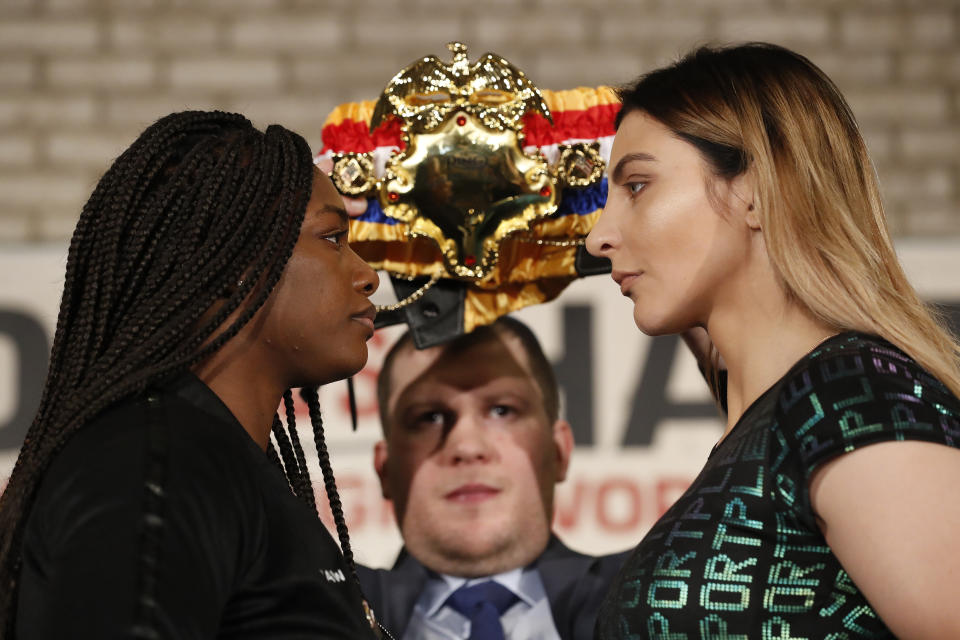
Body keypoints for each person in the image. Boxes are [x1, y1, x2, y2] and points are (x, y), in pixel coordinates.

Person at [585, 42, 960, 638]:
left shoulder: (848, 395)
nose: (597, 236)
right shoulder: (781, 415)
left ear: (755, 188)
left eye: (636, 186)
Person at [0, 111, 385, 638]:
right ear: (235, 261)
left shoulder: (213, 463)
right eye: (333, 238)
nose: (367, 274)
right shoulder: (155, 461)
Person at [358, 316, 628, 640]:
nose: (467, 446)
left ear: (558, 452)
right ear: (385, 469)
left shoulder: (652, 591)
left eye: (502, 410)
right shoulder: (327, 608)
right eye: (429, 417)